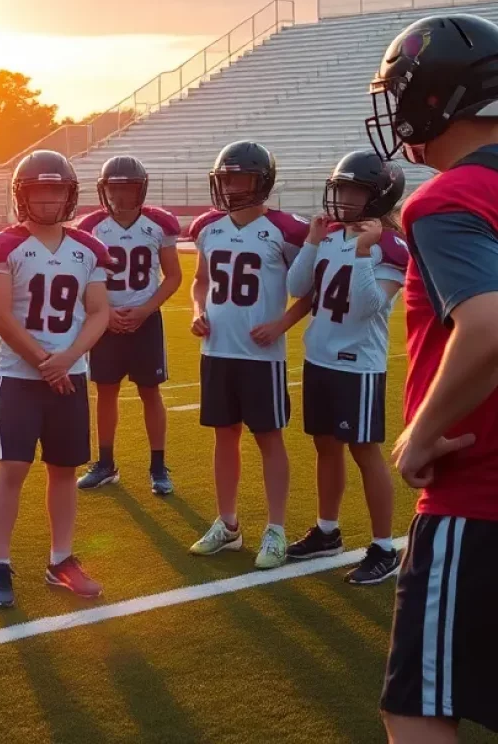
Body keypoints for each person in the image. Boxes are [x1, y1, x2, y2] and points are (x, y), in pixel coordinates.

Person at [366, 14, 498, 742]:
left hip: (477, 496)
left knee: (416, 707)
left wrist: (419, 436)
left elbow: (487, 329)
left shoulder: (448, 199)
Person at [0, 150, 112, 608]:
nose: (49, 199)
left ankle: (61, 560)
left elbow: (98, 312)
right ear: (22, 195)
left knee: (64, 470)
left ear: (69, 195)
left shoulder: (88, 248)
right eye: (39, 190)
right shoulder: (2, 246)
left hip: (68, 375)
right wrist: (42, 360)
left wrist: (68, 357)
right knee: (13, 467)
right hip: (17, 375)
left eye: (56, 190)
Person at [285, 150, 407, 585]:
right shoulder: (332, 234)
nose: (343, 197)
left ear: (377, 196)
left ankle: (384, 547)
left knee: (363, 451)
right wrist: (313, 242)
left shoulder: (390, 245)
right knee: (326, 447)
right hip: (320, 357)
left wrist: (361, 251)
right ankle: (327, 529)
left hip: (357, 365)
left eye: (353, 190)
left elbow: (369, 306)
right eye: (341, 188)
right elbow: (296, 287)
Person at [188, 141, 312, 569]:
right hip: (217, 350)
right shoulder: (208, 228)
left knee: (269, 438)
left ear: (262, 182)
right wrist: (198, 312)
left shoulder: (287, 229)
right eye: (227, 178)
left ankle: (276, 529)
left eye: (241, 178)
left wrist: (282, 323)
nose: (232, 186)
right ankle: (228, 524)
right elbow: (200, 282)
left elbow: (310, 288)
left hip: (262, 357)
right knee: (225, 436)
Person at [76, 155, 182, 494]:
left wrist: (145, 310)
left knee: (150, 391)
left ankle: (158, 465)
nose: (121, 196)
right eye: (115, 189)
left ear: (142, 189)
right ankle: (105, 463)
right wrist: (105, 312)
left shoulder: (158, 226)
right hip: (104, 322)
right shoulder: (90, 228)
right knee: (106, 391)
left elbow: (174, 276)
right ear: (104, 190)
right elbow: (80, 278)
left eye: (129, 188)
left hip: (145, 321)